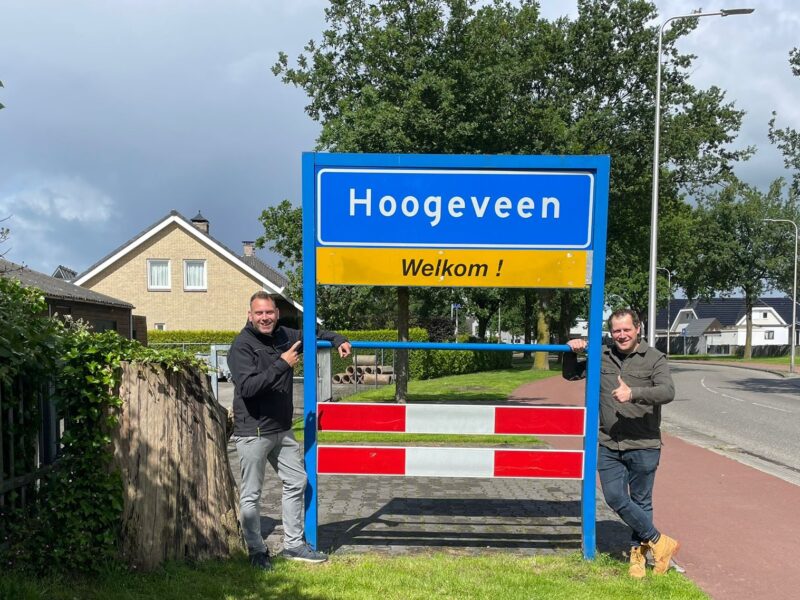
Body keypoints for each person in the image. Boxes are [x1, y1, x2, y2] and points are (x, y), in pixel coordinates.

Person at [228, 291, 352, 570]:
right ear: (250, 315)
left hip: (282, 429)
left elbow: (313, 333)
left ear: (277, 314)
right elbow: (247, 388)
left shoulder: (285, 335)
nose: (265, 318)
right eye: (259, 313)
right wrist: (282, 363)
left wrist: (338, 339)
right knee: (252, 493)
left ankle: (293, 544)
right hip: (253, 431)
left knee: (297, 481)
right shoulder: (242, 346)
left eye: (269, 312)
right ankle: (256, 550)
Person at [563, 308, 679, 578]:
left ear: (638, 329)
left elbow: (667, 391)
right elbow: (571, 374)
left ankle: (638, 556)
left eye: (627, 329)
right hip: (609, 442)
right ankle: (660, 541)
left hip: (644, 443)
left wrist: (633, 393)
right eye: (617, 330)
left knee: (641, 500)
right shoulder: (602, 355)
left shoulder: (654, 358)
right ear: (611, 332)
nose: (622, 335)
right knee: (614, 496)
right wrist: (571, 351)